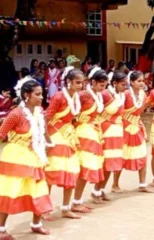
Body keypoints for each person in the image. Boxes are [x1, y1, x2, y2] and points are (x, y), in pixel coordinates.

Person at [0, 79, 53, 239]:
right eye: (37, 94)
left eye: (41, 94)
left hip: (34, 157)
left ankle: (36, 224)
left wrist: (49, 145)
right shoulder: (16, 113)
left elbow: (44, 132)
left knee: (39, 190)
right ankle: (1, 229)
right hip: (16, 157)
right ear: (26, 95)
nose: (41, 97)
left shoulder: (40, 112)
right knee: (11, 191)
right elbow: (1, 134)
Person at [44, 67, 84, 220]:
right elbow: (46, 119)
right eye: (77, 82)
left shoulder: (76, 97)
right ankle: (44, 209)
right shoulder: (59, 97)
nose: (80, 86)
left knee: (72, 171)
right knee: (52, 172)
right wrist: (47, 141)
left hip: (69, 137)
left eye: (82, 83)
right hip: (56, 136)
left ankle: (66, 207)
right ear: (68, 82)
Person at [72, 67, 107, 211]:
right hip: (83, 132)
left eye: (105, 86)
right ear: (92, 82)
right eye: (100, 85)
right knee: (85, 166)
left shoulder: (98, 95)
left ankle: (77, 200)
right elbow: (72, 112)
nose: (103, 88)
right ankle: (75, 201)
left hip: (93, 131)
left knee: (89, 166)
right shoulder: (84, 95)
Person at [93, 71, 127, 197]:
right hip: (106, 131)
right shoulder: (105, 94)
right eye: (123, 84)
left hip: (117, 131)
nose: (125, 87)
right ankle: (95, 191)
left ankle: (101, 190)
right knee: (105, 162)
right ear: (114, 83)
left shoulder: (120, 95)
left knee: (112, 163)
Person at [121, 71, 153, 193]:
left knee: (143, 154)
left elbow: (141, 112)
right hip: (125, 127)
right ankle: (114, 184)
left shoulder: (143, 95)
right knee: (122, 156)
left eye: (142, 81)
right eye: (138, 81)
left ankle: (143, 184)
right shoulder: (125, 94)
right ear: (132, 82)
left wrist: (142, 127)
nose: (141, 83)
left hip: (136, 126)